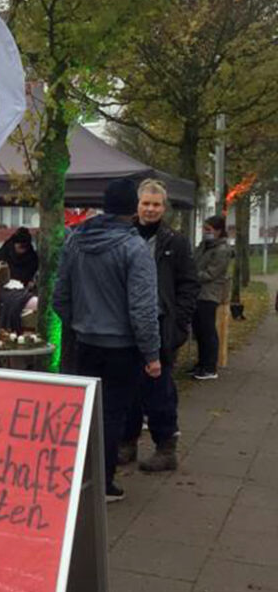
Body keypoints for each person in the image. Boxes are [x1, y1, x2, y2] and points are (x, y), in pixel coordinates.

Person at [53, 179, 161, 503]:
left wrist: (76, 325)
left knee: (83, 412)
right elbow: (143, 308)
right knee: (111, 415)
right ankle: (103, 484)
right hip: (121, 347)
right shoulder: (135, 248)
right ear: (133, 210)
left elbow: (61, 295)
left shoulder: (75, 240)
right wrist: (152, 353)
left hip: (85, 342)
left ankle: (73, 475)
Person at [120, 179, 200, 473]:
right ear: (137, 205)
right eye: (146, 203)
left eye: (156, 204)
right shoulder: (123, 235)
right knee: (127, 388)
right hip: (125, 327)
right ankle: (126, 443)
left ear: (164, 208)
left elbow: (189, 285)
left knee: (159, 390)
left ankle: (166, 447)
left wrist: (178, 325)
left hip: (160, 327)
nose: (150, 209)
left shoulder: (174, 242)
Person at [191, 215, 232, 380]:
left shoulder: (222, 250)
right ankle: (201, 363)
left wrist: (191, 274)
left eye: (209, 230)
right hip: (197, 293)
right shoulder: (204, 246)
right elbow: (194, 261)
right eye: (204, 229)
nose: (205, 232)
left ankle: (210, 366)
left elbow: (211, 273)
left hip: (209, 294)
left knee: (208, 331)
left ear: (218, 231)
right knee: (199, 330)